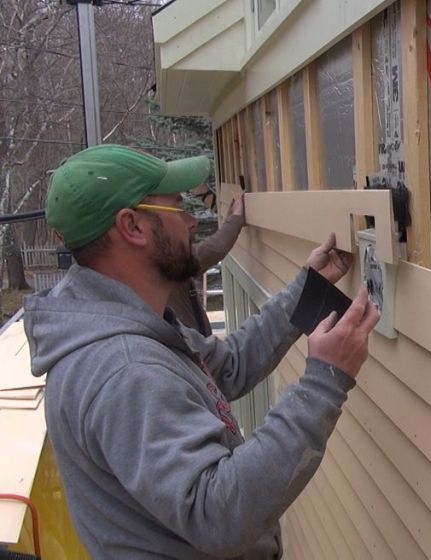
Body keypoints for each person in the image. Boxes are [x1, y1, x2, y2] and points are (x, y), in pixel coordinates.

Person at [23, 144, 379, 559]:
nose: (193, 221)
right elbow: (219, 515)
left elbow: (227, 369)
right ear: (132, 226)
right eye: (178, 208)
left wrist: (306, 291)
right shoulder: (124, 368)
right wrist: (324, 383)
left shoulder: (129, 322)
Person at [168, 193, 246, 335]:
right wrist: (235, 220)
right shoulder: (167, 263)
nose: (194, 222)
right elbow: (214, 249)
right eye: (177, 212)